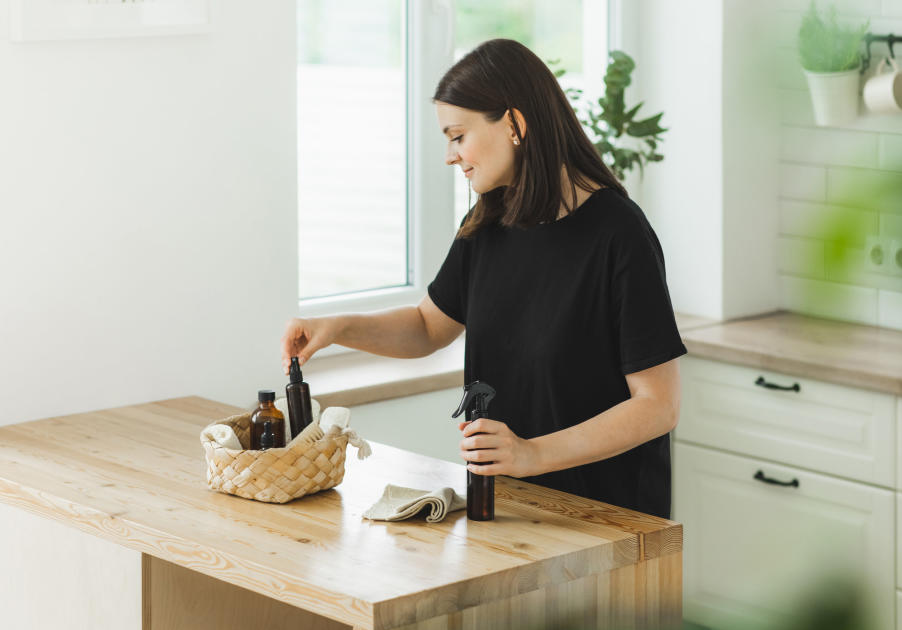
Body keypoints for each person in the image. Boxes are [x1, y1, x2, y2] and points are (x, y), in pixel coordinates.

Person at [281, 39, 686, 519]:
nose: (451, 156)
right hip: (510, 507)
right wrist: (338, 328)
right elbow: (428, 326)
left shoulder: (619, 234)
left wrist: (531, 453)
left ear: (515, 123)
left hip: (607, 519)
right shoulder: (490, 222)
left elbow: (658, 405)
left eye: (458, 135)